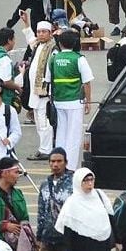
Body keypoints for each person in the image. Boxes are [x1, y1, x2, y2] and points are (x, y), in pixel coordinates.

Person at [47, 30, 94, 170]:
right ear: (74, 43)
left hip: (59, 101)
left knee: (61, 135)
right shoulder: (79, 59)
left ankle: (58, 165)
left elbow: (48, 81)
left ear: (60, 44)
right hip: (74, 102)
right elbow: (87, 82)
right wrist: (88, 101)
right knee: (73, 136)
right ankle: (71, 167)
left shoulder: (53, 59)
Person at [55, 168, 113, 251]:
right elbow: (67, 231)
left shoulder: (100, 196)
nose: (90, 183)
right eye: (85, 180)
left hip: (101, 248)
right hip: (82, 250)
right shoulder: (72, 202)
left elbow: (111, 217)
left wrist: (118, 242)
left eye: (92, 179)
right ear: (78, 182)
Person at [19, 15, 56, 161]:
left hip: (45, 92)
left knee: (44, 122)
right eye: (39, 32)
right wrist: (27, 23)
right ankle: (43, 147)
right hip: (35, 91)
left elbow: (51, 72)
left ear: (50, 33)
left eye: (43, 32)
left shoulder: (52, 49)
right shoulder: (38, 46)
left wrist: (50, 91)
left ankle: (46, 149)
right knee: (38, 121)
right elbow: (30, 40)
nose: (40, 34)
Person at [35, 148, 74, 251]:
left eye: (59, 161)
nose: (55, 165)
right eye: (52, 161)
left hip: (68, 240)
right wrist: (39, 237)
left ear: (66, 162)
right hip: (47, 240)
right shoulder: (45, 184)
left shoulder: (74, 183)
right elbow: (41, 211)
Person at [0, 28, 21, 106]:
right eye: (13, 39)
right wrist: (18, 88)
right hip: (4, 98)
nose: (14, 42)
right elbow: (6, 81)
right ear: (9, 41)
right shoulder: (4, 59)